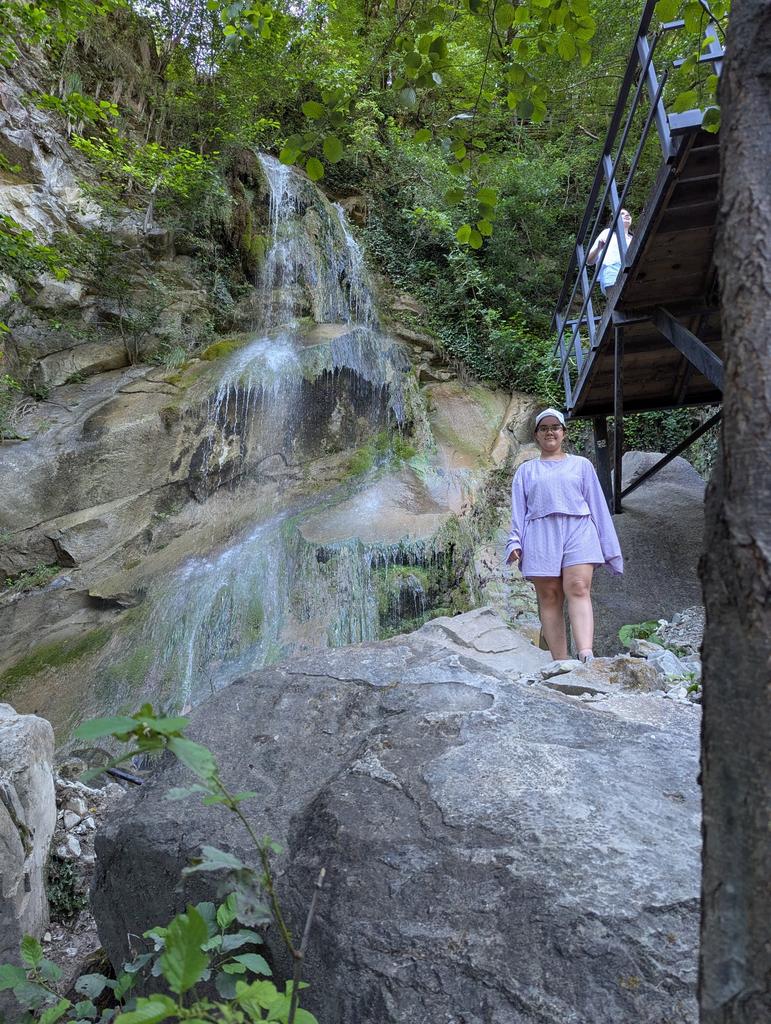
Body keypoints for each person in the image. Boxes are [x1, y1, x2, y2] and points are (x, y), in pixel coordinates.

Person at [505, 409, 623, 662]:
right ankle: (561, 662)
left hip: (578, 529)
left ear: (563, 432)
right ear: (536, 435)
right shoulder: (526, 471)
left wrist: (609, 546)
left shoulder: (581, 465)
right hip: (539, 534)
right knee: (549, 596)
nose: (550, 432)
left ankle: (586, 654)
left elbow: (598, 506)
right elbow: (518, 511)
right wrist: (515, 541)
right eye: (544, 428)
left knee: (578, 586)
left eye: (555, 427)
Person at [587, 208, 632, 296]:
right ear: (614, 219)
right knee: (617, 299)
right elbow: (589, 261)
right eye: (622, 214)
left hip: (630, 270)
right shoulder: (608, 232)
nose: (627, 215)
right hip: (612, 269)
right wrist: (598, 248)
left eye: (628, 214)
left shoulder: (633, 238)